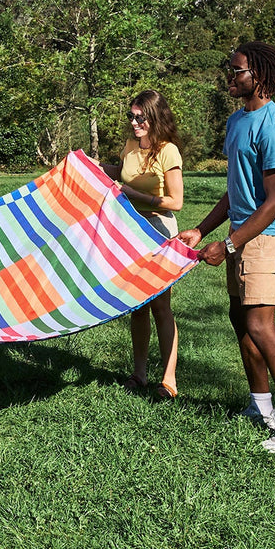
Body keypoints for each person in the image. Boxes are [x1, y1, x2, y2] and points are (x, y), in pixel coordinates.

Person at [178, 42, 275, 453]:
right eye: (230, 68)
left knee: (260, 325)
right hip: (240, 233)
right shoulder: (237, 120)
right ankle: (261, 407)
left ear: (258, 75)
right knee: (240, 318)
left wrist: (228, 244)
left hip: (265, 236)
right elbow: (235, 189)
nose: (230, 76)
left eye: (237, 70)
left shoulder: (273, 127)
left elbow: (274, 202)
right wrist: (201, 230)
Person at [102, 90, 184, 400]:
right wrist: (90, 164)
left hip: (158, 230)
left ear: (155, 118)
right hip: (130, 232)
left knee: (161, 306)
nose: (134, 122)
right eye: (132, 116)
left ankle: (168, 380)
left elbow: (176, 201)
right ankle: (139, 374)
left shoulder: (168, 151)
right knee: (136, 306)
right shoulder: (130, 146)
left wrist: (136, 196)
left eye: (141, 117)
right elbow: (122, 174)